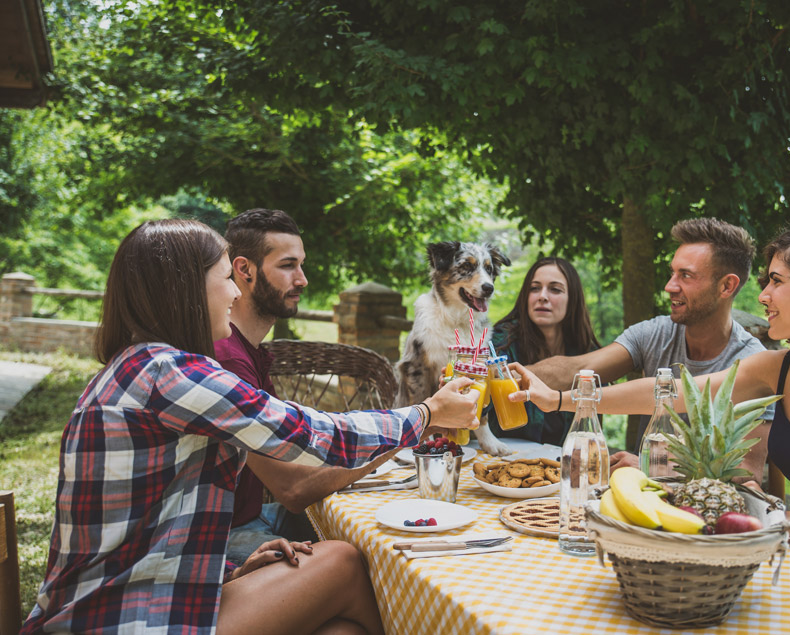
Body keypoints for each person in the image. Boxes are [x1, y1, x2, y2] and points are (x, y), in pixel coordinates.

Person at [22, 219, 479, 634]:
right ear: (184, 289)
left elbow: (148, 528)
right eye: (225, 280)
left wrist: (228, 573)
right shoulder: (171, 375)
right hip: (117, 619)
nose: (237, 294)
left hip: (142, 597)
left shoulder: (142, 367)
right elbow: (314, 436)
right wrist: (428, 413)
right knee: (342, 561)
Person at [513, 222, 790, 558]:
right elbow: (673, 391)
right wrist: (563, 400)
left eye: (777, 281)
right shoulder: (777, 368)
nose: (764, 295)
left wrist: (777, 521)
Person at [525, 218, 770, 480]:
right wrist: (505, 377)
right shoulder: (654, 333)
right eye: (672, 273)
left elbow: (746, 472)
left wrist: (650, 464)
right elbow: (580, 370)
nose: (669, 286)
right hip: (638, 498)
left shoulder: (752, 361)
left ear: (726, 286)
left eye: (685, 275)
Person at [217, 209, 393, 565]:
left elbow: (293, 447)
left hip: (257, 514)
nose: (303, 279)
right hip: (227, 534)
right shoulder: (228, 358)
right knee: (361, 560)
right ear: (244, 269)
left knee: (380, 532)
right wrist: (413, 429)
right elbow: (293, 489)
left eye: (302, 265)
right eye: (288, 265)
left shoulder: (249, 350)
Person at [484, 257, 599, 445]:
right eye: (534, 288)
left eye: (555, 289)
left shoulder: (586, 351)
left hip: (563, 465)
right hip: (503, 461)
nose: (542, 296)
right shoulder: (499, 344)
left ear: (573, 299)